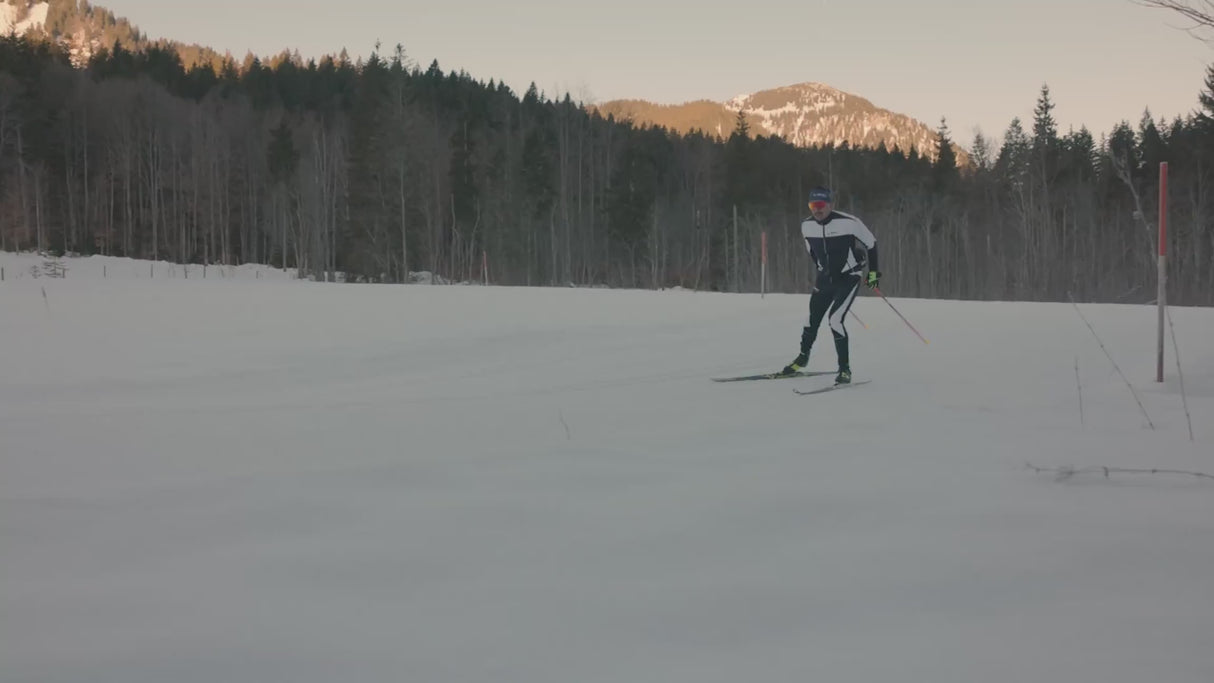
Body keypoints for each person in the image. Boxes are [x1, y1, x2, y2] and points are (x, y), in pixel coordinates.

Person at [779, 187, 880, 384]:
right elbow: (812, 251)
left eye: (820, 206)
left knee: (835, 320)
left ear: (830, 205)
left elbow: (871, 243)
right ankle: (802, 358)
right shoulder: (806, 226)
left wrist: (874, 273)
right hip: (825, 280)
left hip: (849, 277)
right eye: (812, 206)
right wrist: (821, 268)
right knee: (811, 320)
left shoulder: (849, 223)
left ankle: (844, 370)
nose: (817, 210)